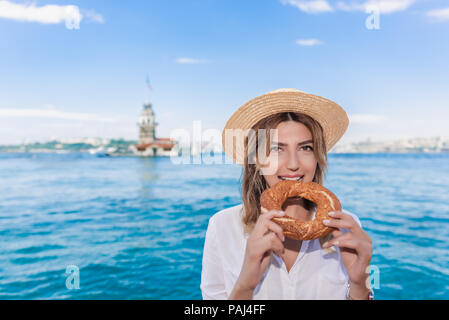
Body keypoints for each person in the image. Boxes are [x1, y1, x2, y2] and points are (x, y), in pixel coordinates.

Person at [201, 88, 373, 300]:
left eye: (306, 148)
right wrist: (245, 285)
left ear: (318, 157)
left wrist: (360, 286)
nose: (293, 164)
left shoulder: (346, 228)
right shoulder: (222, 227)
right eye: (276, 149)